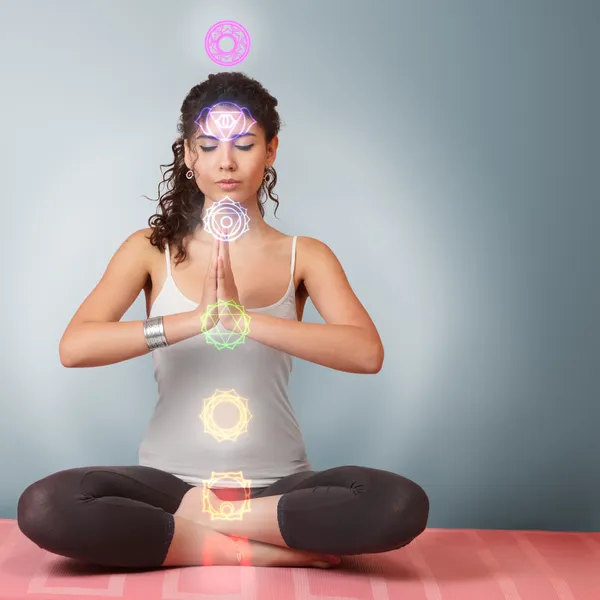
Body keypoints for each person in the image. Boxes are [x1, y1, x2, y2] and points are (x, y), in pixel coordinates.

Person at [16, 72, 429, 571]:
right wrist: (193, 320)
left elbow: (366, 353)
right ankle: (244, 549)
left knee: (399, 503)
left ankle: (213, 525)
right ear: (189, 155)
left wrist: (243, 321)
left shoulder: (306, 256)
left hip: (278, 486)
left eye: (245, 145)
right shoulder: (149, 249)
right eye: (209, 146)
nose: (226, 162)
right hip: (169, 485)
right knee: (46, 505)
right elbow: (75, 347)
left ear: (271, 151)